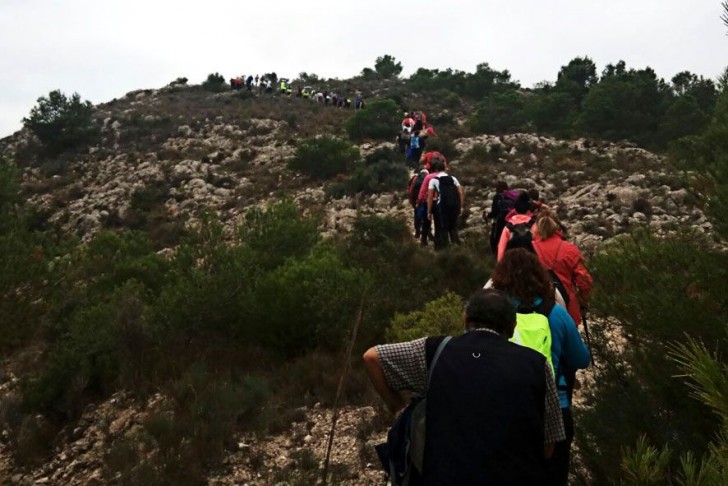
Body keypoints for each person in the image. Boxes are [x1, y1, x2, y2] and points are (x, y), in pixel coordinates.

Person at [363, 288, 565, 485]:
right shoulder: (537, 364)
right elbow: (549, 445)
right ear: (512, 326)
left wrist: (395, 404)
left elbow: (372, 358)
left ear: (465, 318)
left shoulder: (435, 351)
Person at [490, 249, 591, 486]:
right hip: (555, 407)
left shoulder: (494, 314)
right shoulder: (555, 313)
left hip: (504, 407)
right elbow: (582, 359)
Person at [533, 210, 593, 326]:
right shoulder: (570, 249)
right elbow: (585, 281)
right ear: (557, 226)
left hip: (536, 310)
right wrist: (582, 302)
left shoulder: (529, 249)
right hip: (568, 310)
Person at [426, 159, 464, 249]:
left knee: (443, 227)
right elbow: (460, 193)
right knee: (453, 226)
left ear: (435, 170)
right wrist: (460, 206)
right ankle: (457, 247)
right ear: (445, 169)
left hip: (442, 206)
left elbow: (430, 197)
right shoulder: (453, 178)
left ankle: (445, 249)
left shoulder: (433, 180)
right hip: (454, 205)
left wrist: (429, 211)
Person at [497, 191, 536, 261]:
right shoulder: (534, 225)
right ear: (528, 210)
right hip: (531, 264)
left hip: (513, 265)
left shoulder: (508, 227)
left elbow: (501, 249)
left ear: (515, 210)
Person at [408, 167, 429, 239]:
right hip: (425, 200)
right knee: (426, 217)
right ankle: (428, 234)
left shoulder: (414, 178)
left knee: (417, 216)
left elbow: (410, 190)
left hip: (416, 200)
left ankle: (417, 233)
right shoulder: (427, 178)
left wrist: (412, 202)